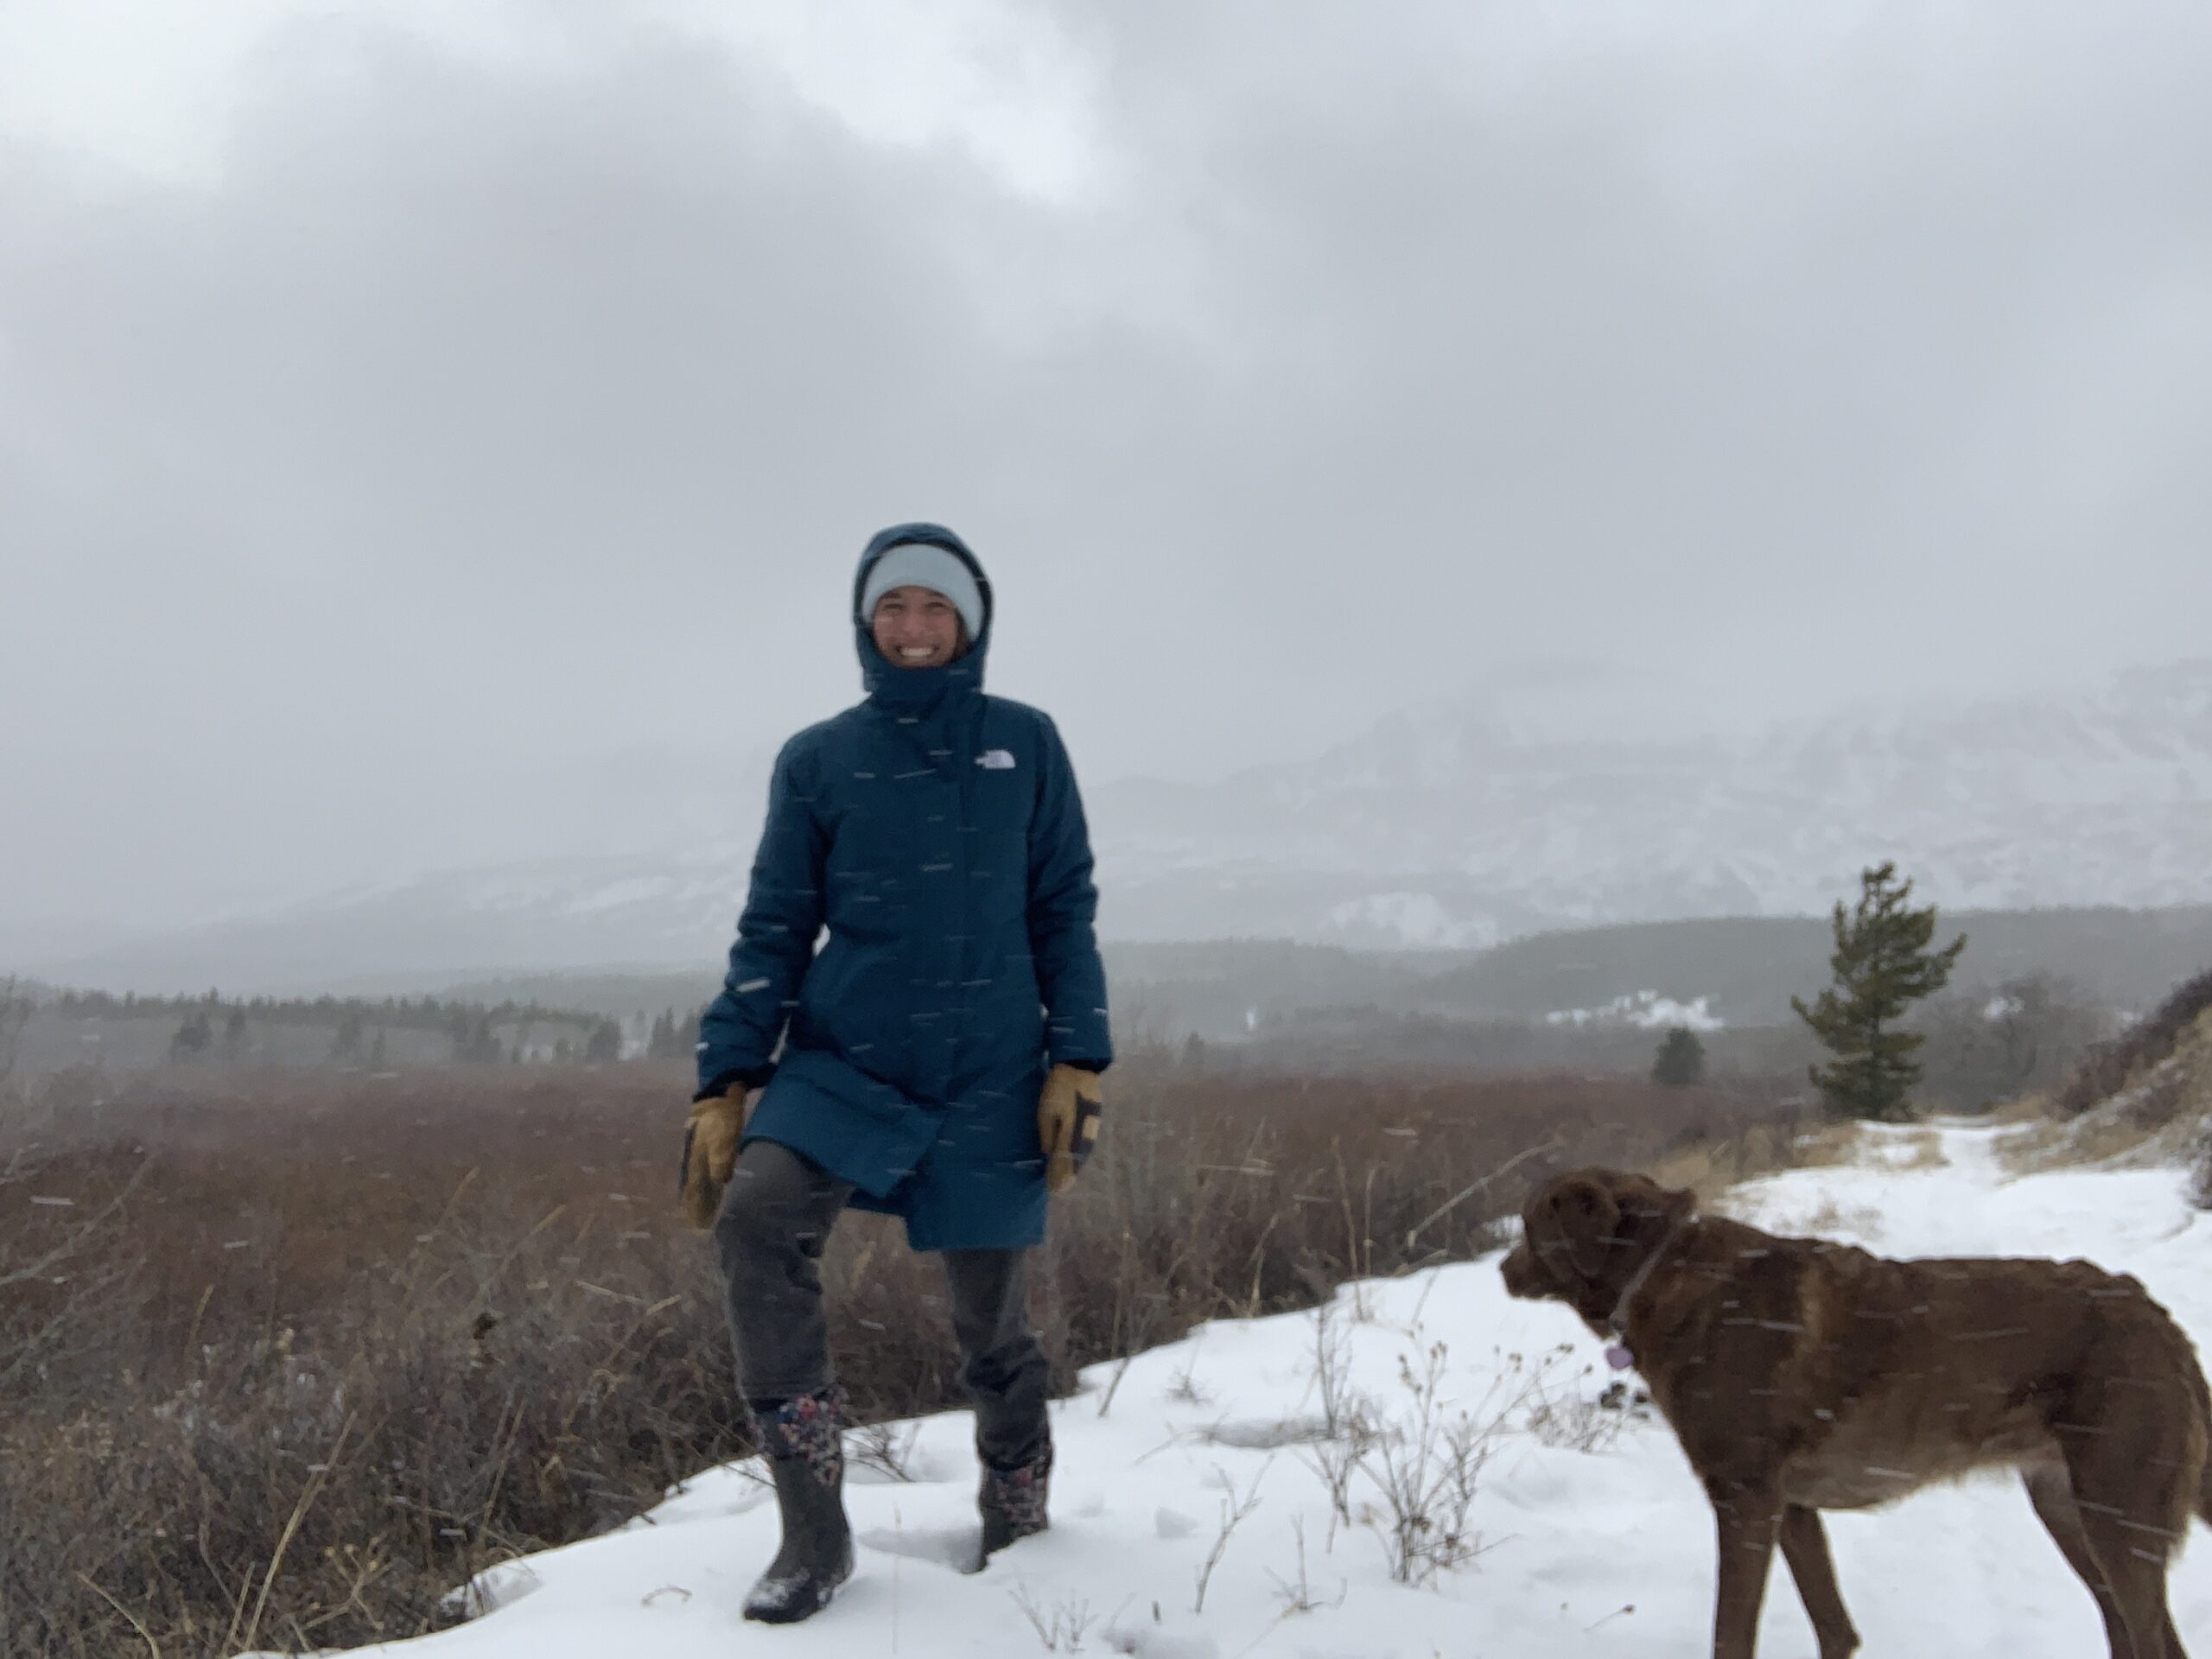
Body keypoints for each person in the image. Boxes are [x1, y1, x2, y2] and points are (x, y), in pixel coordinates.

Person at [679, 523, 1111, 1624]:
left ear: (971, 620)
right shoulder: (819, 757)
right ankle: (812, 1537)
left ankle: (1017, 1510)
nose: (914, 629)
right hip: (848, 1060)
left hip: (993, 1068)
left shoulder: (1028, 740)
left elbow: (1062, 905)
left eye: (934, 609)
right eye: (892, 610)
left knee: (992, 1320)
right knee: (757, 1221)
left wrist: (1079, 1058)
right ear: (864, 625)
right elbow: (776, 924)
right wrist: (727, 1078)